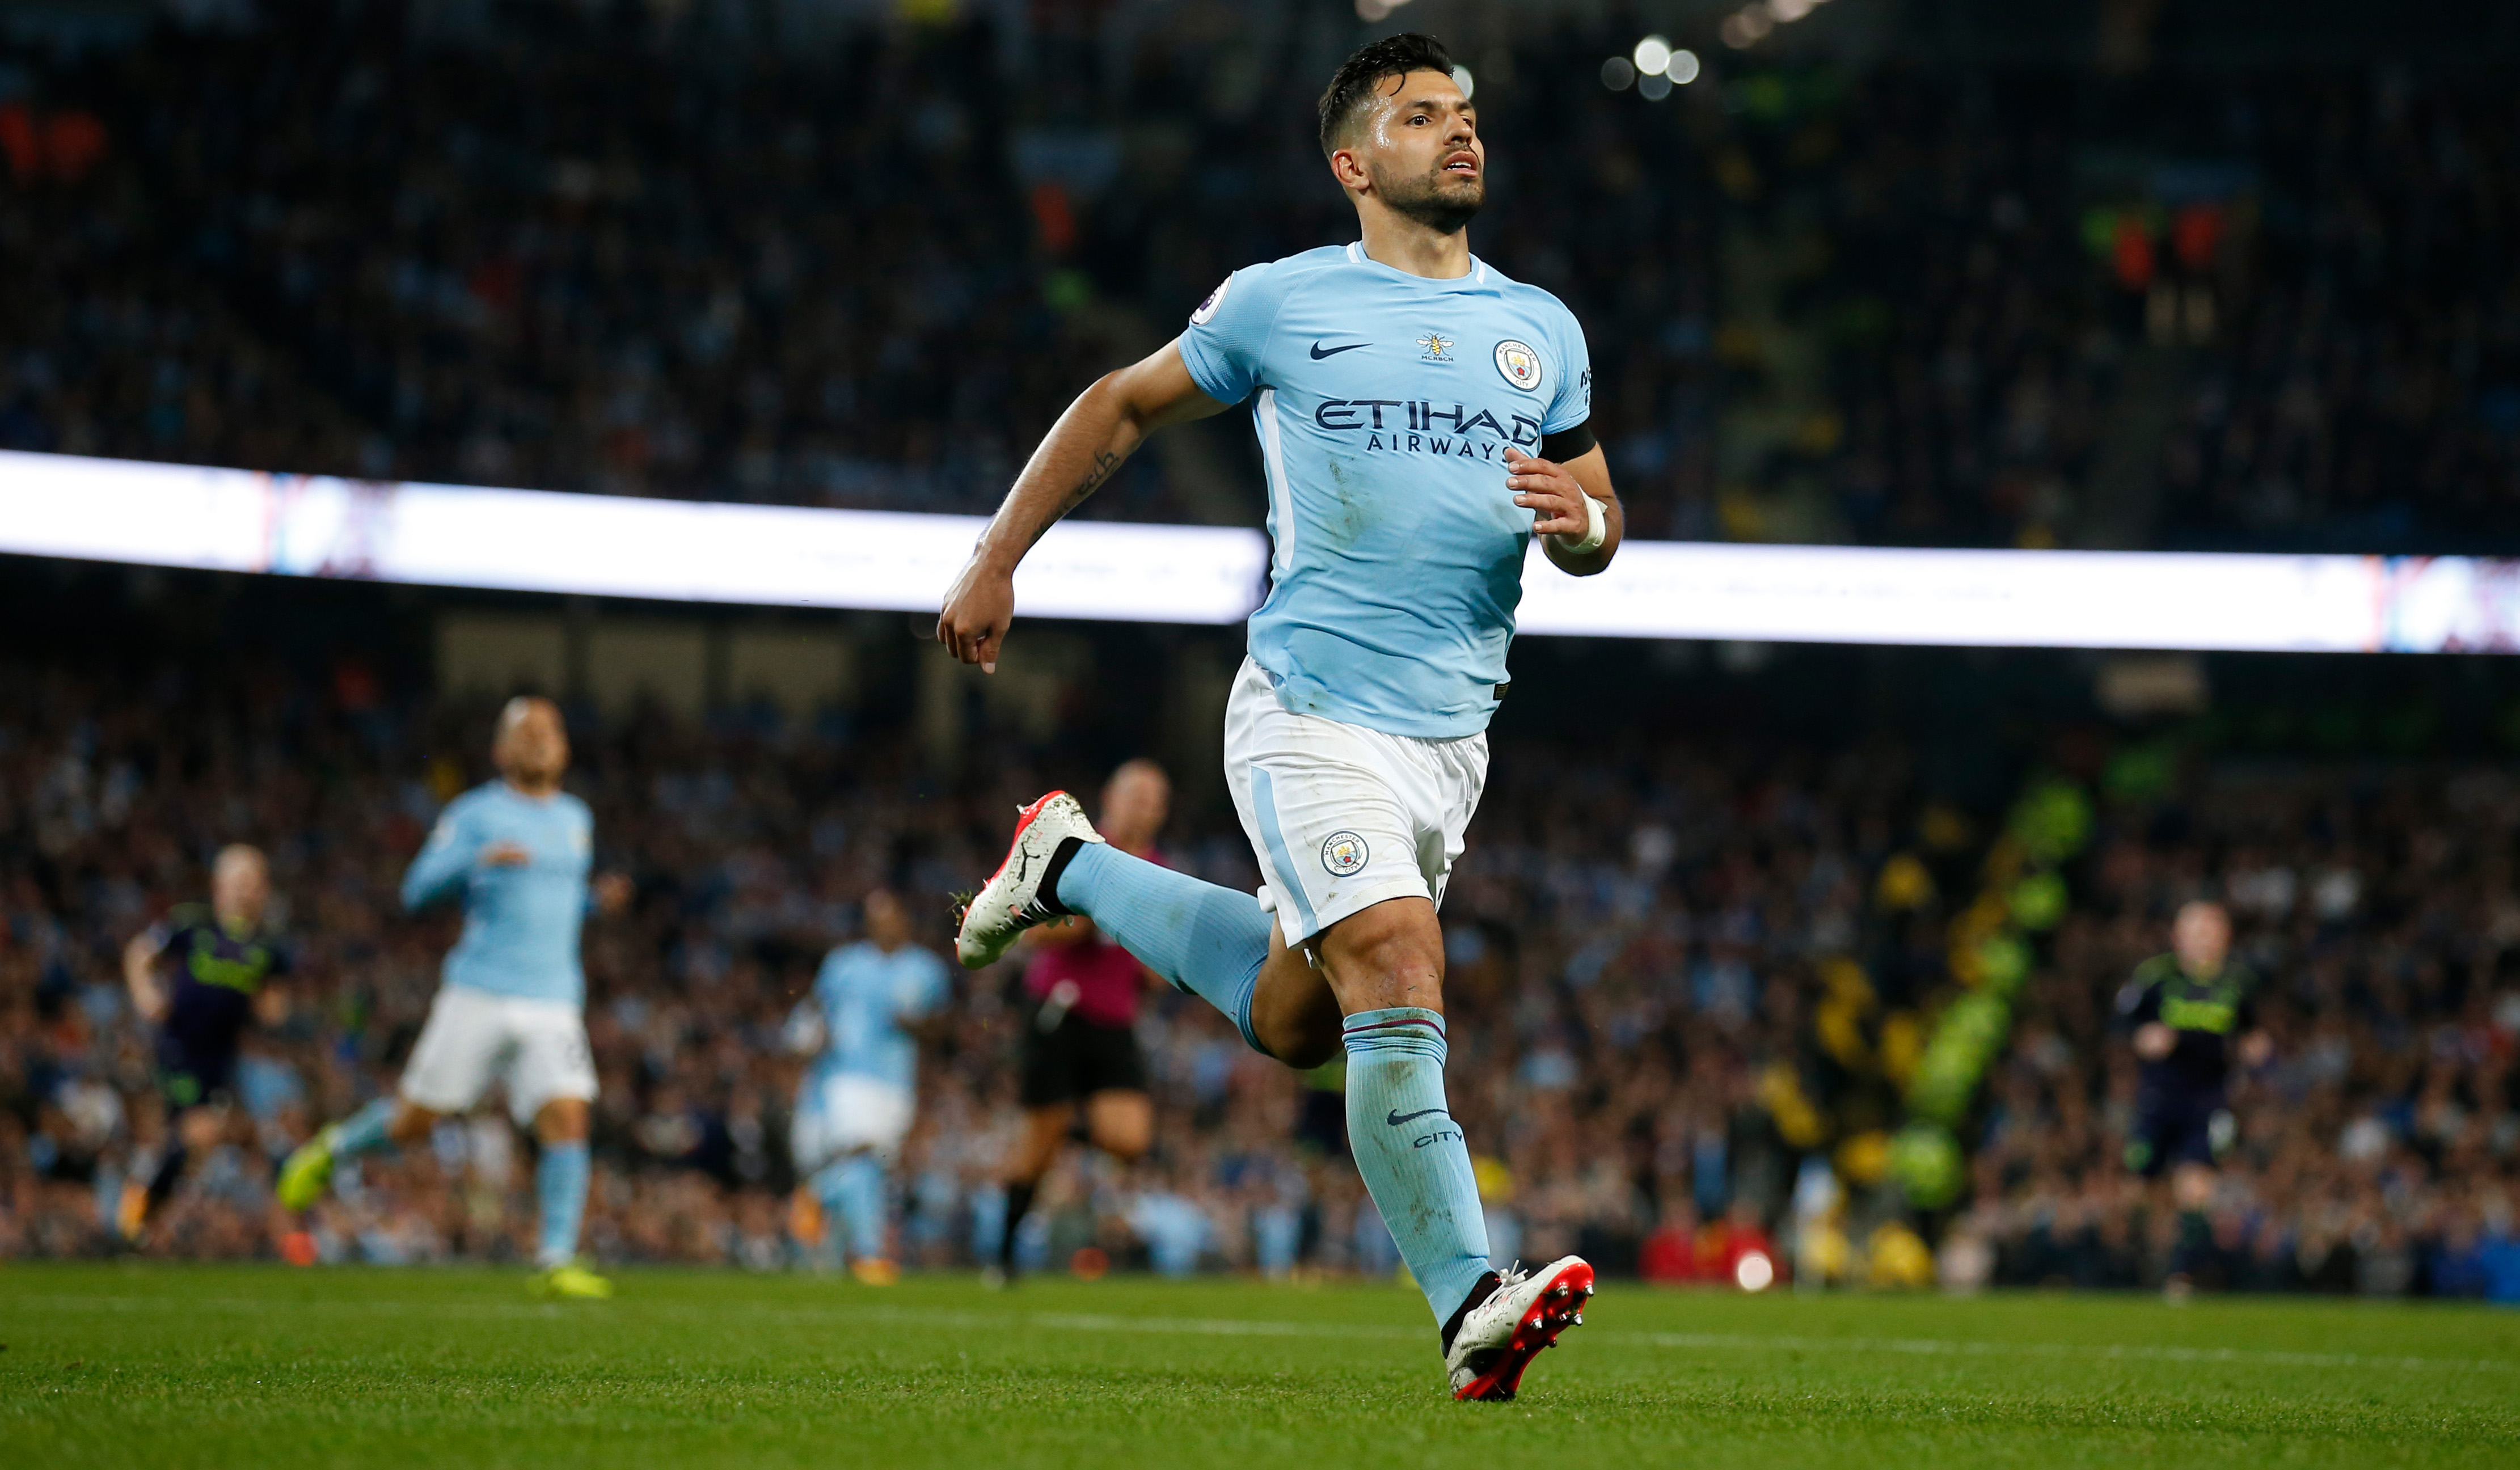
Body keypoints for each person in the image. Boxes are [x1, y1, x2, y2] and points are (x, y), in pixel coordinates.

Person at [936, 33, 1614, 1401]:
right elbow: (1120, 407)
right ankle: (1467, 1303)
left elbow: (1595, 514)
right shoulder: (1281, 301)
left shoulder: (1540, 328)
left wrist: (1587, 526)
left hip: (1451, 742)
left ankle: (1067, 863)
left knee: (1301, 1018)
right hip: (1311, 707)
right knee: (1397, 961)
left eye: (1465, 113)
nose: (1459, 132)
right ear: (1352, 163)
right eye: (1420, 116)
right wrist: (998, 555)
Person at [275, 697, 631, 1298]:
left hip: (553, 998)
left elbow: (560, 903)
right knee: (417, 1120)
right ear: (501, 750)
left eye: (550, 730)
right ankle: (332, 1150)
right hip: (480, 990)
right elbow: (415, 890)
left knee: (569, 1115)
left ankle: (556, 1259)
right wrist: (477, 857)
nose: (540, 740)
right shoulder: (475, 814)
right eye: (526, 732)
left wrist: (598, 903)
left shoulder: (577, 818)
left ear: (566, 748)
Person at [994, 759, 1170, 1283]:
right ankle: (1003, 1256)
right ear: (1109, 800)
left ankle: (1065, 1124)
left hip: (1115, 1017)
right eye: (1134, 796)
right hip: (1060, 1007)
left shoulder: (1160, 869)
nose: (1142, 808)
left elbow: (1158, 963)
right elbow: (1029, 931)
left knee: (1130, 1137)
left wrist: (1158, 965)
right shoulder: (1077, 852)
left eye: (1152, 800)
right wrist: (1092, 917)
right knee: (1037, 1145)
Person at [115, 844, 292, 1243]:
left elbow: (275, 1005)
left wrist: (274, 1011)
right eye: (238, 881)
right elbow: (140, 953)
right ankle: (139, 1203)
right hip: (179, 1045)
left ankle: (143, 1216)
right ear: (219, 886)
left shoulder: (268, 948)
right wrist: (146, 994)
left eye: (253, 882)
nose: (246, 890)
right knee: (199, 1130)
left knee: (198, 1142)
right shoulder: (193, 924)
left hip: (222, 1056)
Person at [785, 886, 951, 1285]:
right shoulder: (844, 964)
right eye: (875, 918)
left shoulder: (926, 969)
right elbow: (817, 1011)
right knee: (863, 1157)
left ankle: (818, 1198)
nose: (883, 925)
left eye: (889, 916)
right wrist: (810, 1043)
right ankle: (869, 1253)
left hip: (898, 1082)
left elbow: (942, 1028)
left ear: (904, 919)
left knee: (874, 1167)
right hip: (848, 1076)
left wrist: (918, 1026)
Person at [2117, 898, 2270, 1296]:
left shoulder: (2238, 982)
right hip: (2158, 1096)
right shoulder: (2155, 976)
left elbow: (2251, 1029)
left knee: (2196, 1185)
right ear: (2178, 937)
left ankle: (2179, 1276)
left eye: (2210, 931)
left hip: (2210, 1097)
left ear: (2225, 937)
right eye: (2195, 931)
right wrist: (2143, 1037)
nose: (2203, 939)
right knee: (2140, 1184)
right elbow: (2124, 1022)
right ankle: (2142, 1258)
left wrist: (2256, 1048)